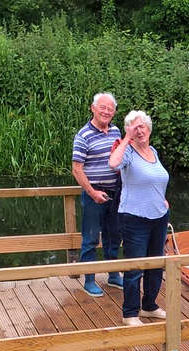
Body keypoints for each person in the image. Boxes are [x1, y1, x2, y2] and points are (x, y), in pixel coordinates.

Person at [109, 110, 169, 326]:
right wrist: (127, 138)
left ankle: (149, 306)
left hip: (159, 216)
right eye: (134, 127)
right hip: (134, 217)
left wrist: (162, 199)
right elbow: (113, 164)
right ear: (128, 130)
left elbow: (156, 180)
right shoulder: (126, 152)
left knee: (155, 264)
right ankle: (130, 313)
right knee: (135, 267)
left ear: (149, 129)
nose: (139, 130)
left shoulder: (153, 151)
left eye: (142, 126)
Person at [72, 92, 123, 297]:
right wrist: (92, 193)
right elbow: (77, 169)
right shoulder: (83, 135)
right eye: (102, 107)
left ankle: (113, 275)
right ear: (93, 108)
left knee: (114, 235)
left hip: (115, 192)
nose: (106, 111)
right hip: (94, 194)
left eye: (110, 109)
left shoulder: (116, 131)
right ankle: (90, 279)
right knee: (90, 238)